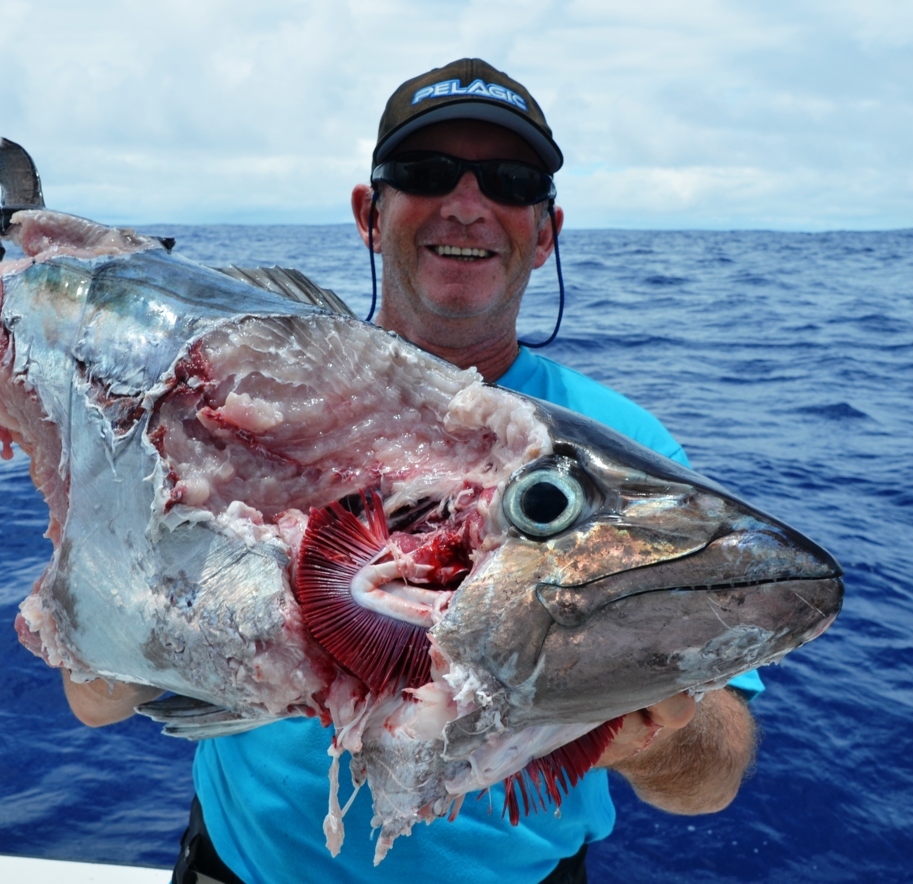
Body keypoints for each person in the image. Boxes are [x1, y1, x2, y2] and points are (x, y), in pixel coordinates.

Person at [63, 58, 762, 883]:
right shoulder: (241, 409)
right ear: (370, 214)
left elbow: (712, 782)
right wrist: (118, 624)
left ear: (545, 234)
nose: (467, 204)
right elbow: (97, 701)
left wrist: (658, 736)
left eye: (508, 181)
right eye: (427, 173)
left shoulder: (626, 452)